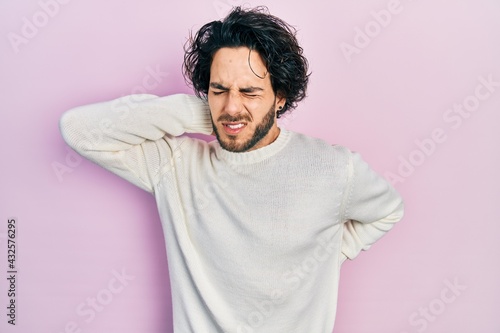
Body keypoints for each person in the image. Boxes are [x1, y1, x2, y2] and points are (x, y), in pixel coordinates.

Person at [59, 6, 404, 333]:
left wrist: (330, 257)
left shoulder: (331, 168)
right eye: (218, 89)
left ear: (280, 97)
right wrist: (202, 114)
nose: (232, 106)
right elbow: (78, 129)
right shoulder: (176, 166)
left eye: (249, 92)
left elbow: (388, 211)